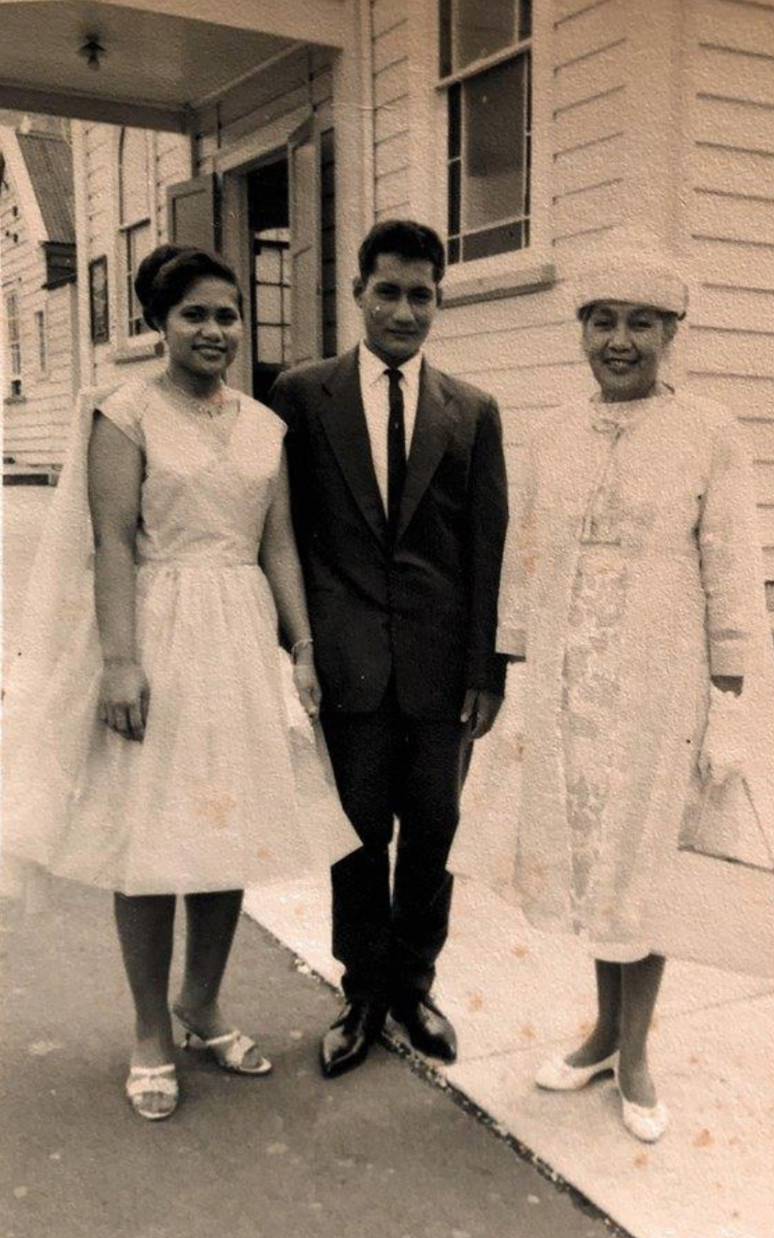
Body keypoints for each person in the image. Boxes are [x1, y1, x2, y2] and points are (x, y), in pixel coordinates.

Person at [3, 245, 357, 1121]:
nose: (214, 330)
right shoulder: (124, 415)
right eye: (194, 313)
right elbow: (112, 542)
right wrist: (121, 661)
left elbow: (276, 546)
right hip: (156, 633)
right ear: (158, 324)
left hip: (239, 640)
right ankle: (149, 1031)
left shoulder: (265, 425)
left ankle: (201, 1005)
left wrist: (302, 647)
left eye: (227, 313)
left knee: (222, 833)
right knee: (150, 843)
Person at [466, 227, 774, 1142]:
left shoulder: (708, 432)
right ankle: (603, 1033)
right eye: (604, 321)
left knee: (649, 861)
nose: (621, 340)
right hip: (576, 681)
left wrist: (728, 696)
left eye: (642, 324)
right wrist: (520, 663)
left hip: (664, 678)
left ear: (671, 334)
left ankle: (637, 1049)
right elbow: (524, 554)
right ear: (580, 331)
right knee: (595, 858)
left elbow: (730, 562)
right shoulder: (556, 431)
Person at [269, 220, 509, 1078]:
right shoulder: (301, 396)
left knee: (434, 834)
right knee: (358, 834)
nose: (405, 310)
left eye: (422, 295)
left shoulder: (472, 411)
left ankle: (414, 985)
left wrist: (487, 671)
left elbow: (489, 548)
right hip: (347, 664)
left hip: (444, 672)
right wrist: (296, 645)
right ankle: (361, 991)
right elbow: (282, 531)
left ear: (438, 300)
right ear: (359, 293)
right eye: (389, 292)